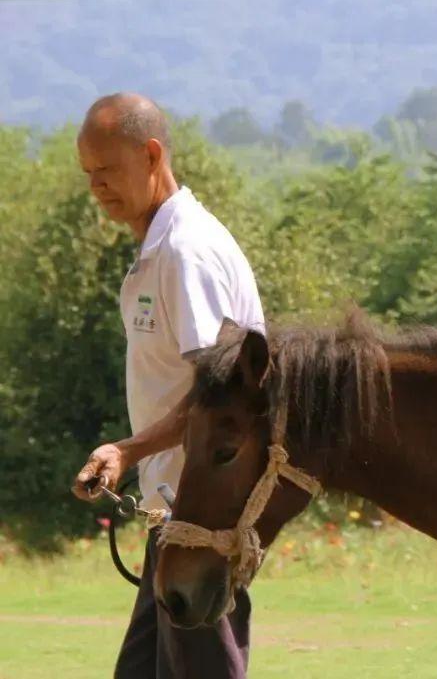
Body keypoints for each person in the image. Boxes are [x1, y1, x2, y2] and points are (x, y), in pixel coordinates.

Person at [70, 93, 264, 679]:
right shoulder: (162, 247)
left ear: (151, 154)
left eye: (107, 169)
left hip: (203, 519)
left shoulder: (186, 252)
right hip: (175, 516)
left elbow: (219, 397)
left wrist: (125, 451)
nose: (96, 186)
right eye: (88, 174)